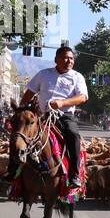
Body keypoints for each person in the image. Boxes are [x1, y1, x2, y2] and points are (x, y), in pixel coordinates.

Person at [16, 45, 88, 187]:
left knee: (73, 136)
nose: (69, 61)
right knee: (19, 135)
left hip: (64, 116)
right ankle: (13, 170)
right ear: (56, 59)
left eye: (71, 58)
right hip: (41, 117)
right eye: (65, 58)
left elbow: (82, 97)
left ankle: (74, 175)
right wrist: (20, 111)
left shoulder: (77, 77)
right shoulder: (44, 74)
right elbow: (29, 93)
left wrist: (62, 103)